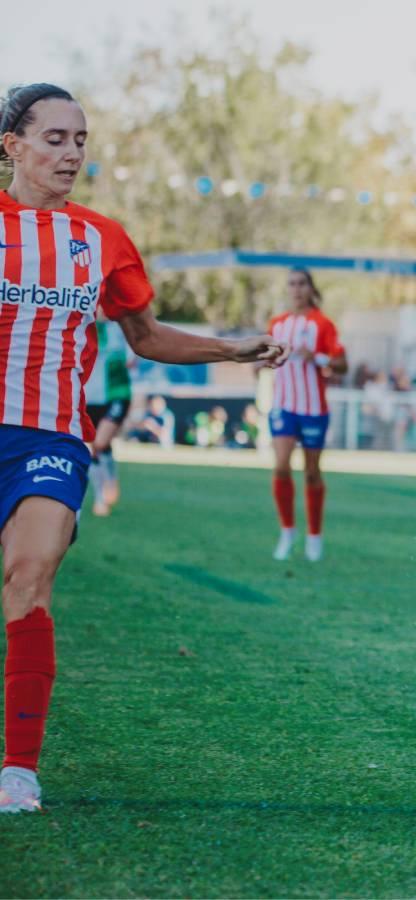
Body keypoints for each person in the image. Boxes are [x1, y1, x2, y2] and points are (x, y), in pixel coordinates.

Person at [0, 83, 286, 813]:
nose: (71, 153)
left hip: (52, 435)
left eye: (80, 140)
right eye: (55, 138)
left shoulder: (102, 239)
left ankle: (18, 771)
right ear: (12, 146)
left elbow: (147, 336)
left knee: (30, 576)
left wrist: (231, 348)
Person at [265, 268, 347, 563]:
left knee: (312, 472)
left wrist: (319, 358)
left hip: (313, 408)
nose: (296, 289)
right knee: (281, 466)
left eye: (301, 284)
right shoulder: (276, 324)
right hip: (283, 406)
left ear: (311, 288)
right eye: (291, 284)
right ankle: (287, 532)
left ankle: (314, 535)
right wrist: (260, 362)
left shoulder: (323, 325)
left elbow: (342, 364)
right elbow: (264, 358)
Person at [83, 324, 133, 516]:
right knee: (97, 447)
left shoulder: (120, 328)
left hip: (116, 394)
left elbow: (132, 358)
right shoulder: (81, 324)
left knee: (100, 443)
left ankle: (103, 495)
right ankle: (102, 492)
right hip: (88, 397)